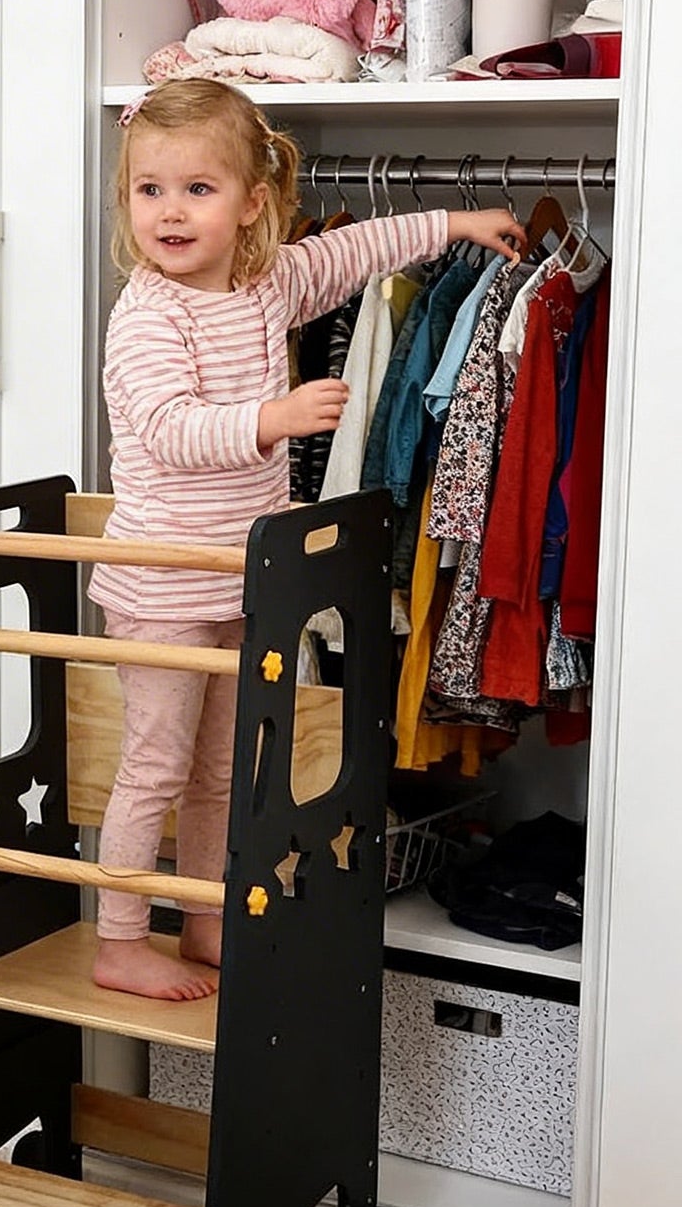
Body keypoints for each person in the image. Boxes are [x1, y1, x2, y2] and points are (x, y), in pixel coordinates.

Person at [89, 78, 526, 1001]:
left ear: (252, 203)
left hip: (239, 582)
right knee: (155, 766)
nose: (170, 212)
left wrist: (454, 224)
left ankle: (205, 918)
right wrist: (273, 417)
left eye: (197, 190)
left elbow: (355, 251)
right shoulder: (148, 316)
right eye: (150, 190)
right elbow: (167, 426)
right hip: (164, 585)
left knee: (224, 771)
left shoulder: (264, 283)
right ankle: (121, 936)